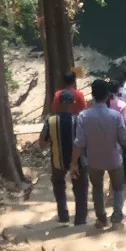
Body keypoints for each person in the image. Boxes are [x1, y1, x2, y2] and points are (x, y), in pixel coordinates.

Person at [73, 78, 126, 228]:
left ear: (92, 95)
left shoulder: (83, 116)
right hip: (113, 158)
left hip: (94, 159)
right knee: (118, 188)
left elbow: (79, 142)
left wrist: (73, 163)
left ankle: (101, 218)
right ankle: (117, 216)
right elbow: (124, 139)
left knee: (97, 188)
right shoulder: (115, 116)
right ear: (107, 95)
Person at [40, 90, 86, 225]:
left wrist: (53, 140)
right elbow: (84, 141)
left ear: (59, 103)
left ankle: (63, 214)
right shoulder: (78, 120)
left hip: (57, 160)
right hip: (77, 161)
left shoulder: (51, 121)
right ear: (73, 103)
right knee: (80, 188)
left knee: (58, 184)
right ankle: (80, 218)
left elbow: (42, 143)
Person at [108, 79, 126, 183]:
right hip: (120, 132)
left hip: (108, 133)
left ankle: (114, 178)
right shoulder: (120, 103)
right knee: (125, 154)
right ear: (117, 90)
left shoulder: (105, 103)